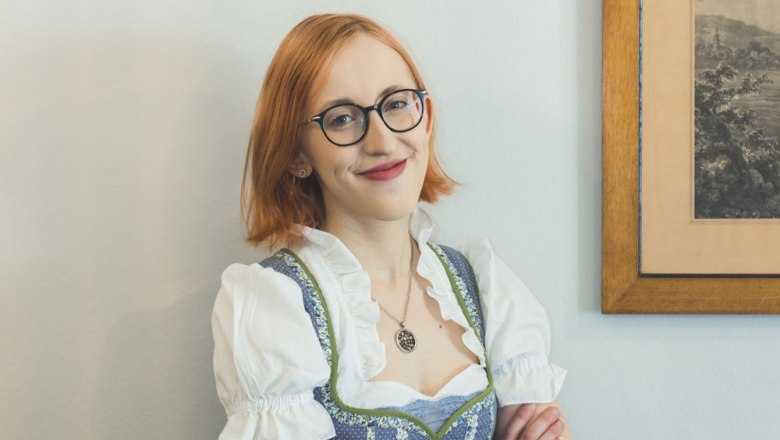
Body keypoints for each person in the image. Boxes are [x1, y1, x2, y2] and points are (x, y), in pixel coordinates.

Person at [212, 13, 571, 440]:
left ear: (427, 117)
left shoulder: (486, 289)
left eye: (396, 103)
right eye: (342, 118)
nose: (382, 140)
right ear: (296, 155)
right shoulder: (275, 309)